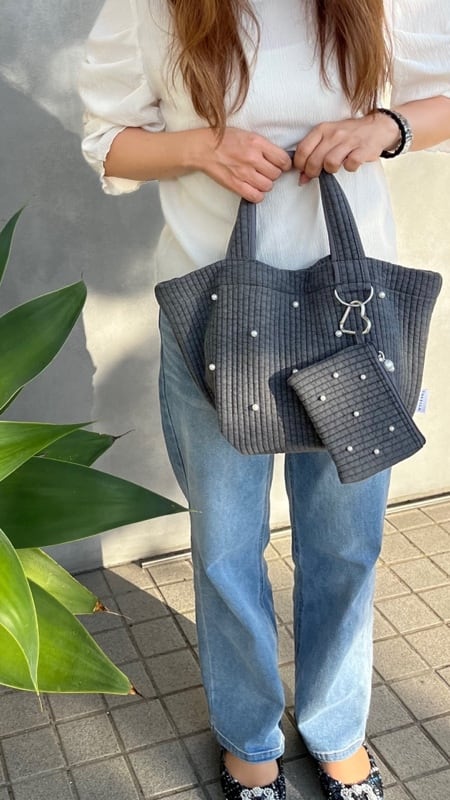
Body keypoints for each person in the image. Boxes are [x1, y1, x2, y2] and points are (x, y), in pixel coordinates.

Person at [79, 2, 450, 798]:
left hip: (353, 320)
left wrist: (384, 128)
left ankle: (337, 729)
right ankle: (249, 736)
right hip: (212, 320)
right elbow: (106, 138)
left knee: (346, 544)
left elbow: (444, 98)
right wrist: (199, 147)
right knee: (225, 549)